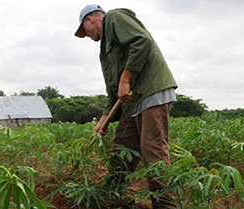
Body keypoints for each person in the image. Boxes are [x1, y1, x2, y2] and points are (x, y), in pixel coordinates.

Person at [74, 4, 178, 209]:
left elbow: (142, 41)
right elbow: (113, 91)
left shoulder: (114, 18)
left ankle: (165, 205)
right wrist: (104, 120)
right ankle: (109, 196)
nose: (86, 36)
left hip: (151, 92)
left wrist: (125, 79)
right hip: (133, 103)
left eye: (84, 31)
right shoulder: (105, 52)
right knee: (123, 147)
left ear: (90, 20)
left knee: (152, 150)